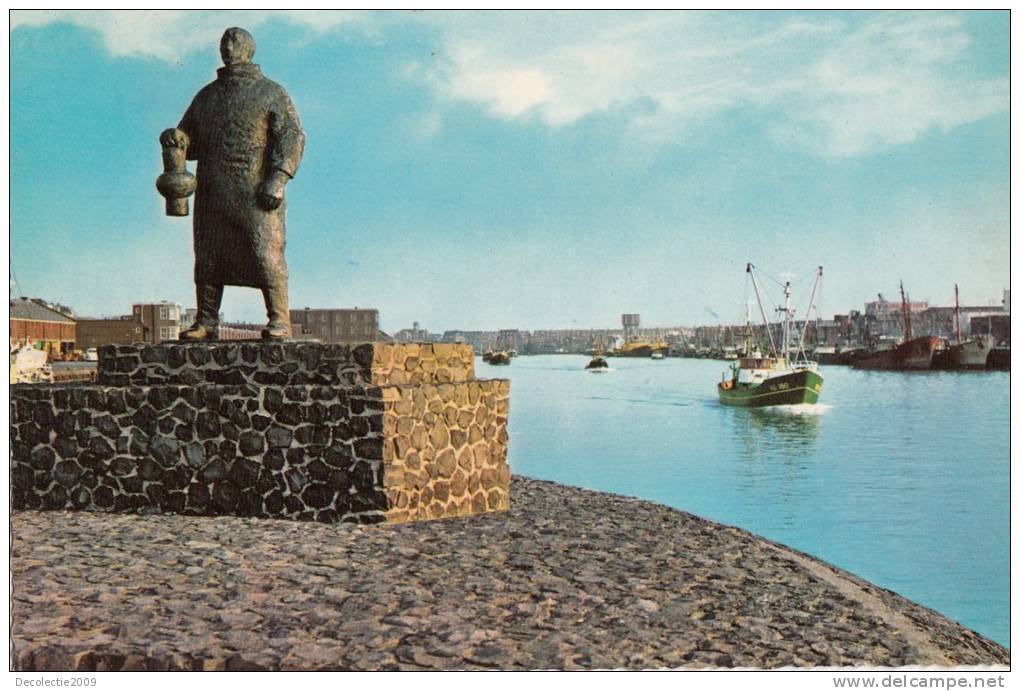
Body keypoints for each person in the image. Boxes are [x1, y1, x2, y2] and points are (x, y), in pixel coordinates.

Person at [160, 27, 305, 341]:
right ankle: (206, 321)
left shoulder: (271, 92)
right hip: (213, 190)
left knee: (265, 254)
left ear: (249, 49)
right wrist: (177, 137)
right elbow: (190, 141)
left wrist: (278, 178)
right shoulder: (208, 95)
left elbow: (291, 137)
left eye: (235, 42)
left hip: (255, 192)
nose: (228, 47)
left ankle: (279, 320)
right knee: (209, 257)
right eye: (224, 41)